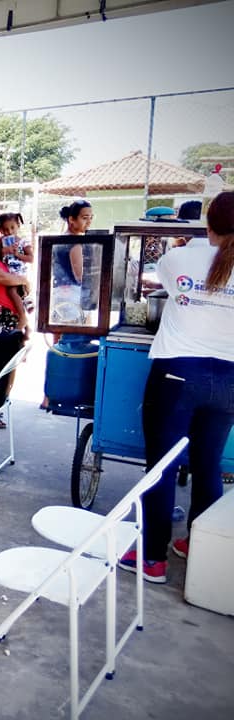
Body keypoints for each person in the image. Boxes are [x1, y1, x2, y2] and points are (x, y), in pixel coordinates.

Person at [118, 191, 234, 584]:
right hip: (229, 380)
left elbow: (164, 281)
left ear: (208, 223)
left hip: (178, 373)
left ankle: (152, 558)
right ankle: (197, 546)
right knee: (208, 466)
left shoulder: (179, 258)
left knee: (162, 466)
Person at [50, 199, 94, 323]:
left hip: (60, 294)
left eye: (91, 218)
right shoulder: (75, 243)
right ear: (71, 219)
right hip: (73, 298)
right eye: (85, 218)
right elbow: (80, 276)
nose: (89, 222)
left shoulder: (61, 239)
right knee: (76, 337)